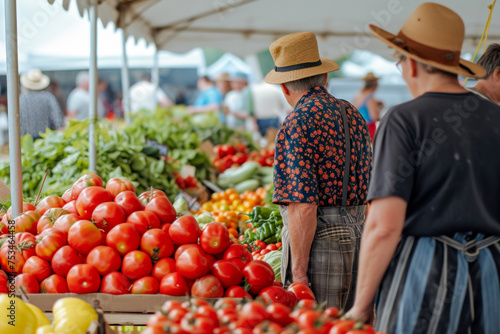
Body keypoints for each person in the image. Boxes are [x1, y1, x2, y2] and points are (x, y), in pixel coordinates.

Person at [346, 3, 500, 333]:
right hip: (493, 275)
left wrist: (361, 306)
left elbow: (384, 226)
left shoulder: (403, 120)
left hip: (424, 275)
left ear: (412, 65)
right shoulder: (496, 117)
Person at [266, 32, 372, 308]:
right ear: (324, 78)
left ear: (285, 88)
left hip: (321, 246)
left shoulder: (297, 123)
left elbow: (303, 206)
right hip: (360, 237)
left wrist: (299, 275)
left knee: (320, 324)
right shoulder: (353, 114)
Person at [19, 69, 64, 140]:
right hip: (45, 140)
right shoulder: (48, 97)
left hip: (25, 141)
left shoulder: (21, 99)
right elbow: (57, 121)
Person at [353, 72, 384, 141]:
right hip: (369, 128)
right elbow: (374, 117)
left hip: (358, 127)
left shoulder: (358, 95)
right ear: (375, 85)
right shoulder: (370, 98)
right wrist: (379, 108)